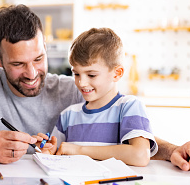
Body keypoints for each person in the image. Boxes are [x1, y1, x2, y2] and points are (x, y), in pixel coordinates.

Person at [0, 4, 190, 171]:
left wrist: (173, 151)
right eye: (18, 64)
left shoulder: (76, 90)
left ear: (45, 48)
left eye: (38, 59)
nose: (32, 73)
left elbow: (127, 136)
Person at [43, 28, 156, 166]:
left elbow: (140, 156)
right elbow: (58, 154)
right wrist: (48, 150)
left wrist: (80, 150)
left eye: (91, 75)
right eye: (77, 74)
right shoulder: (68, 115)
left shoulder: (129, 106)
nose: (81, 83)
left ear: (117, 73)